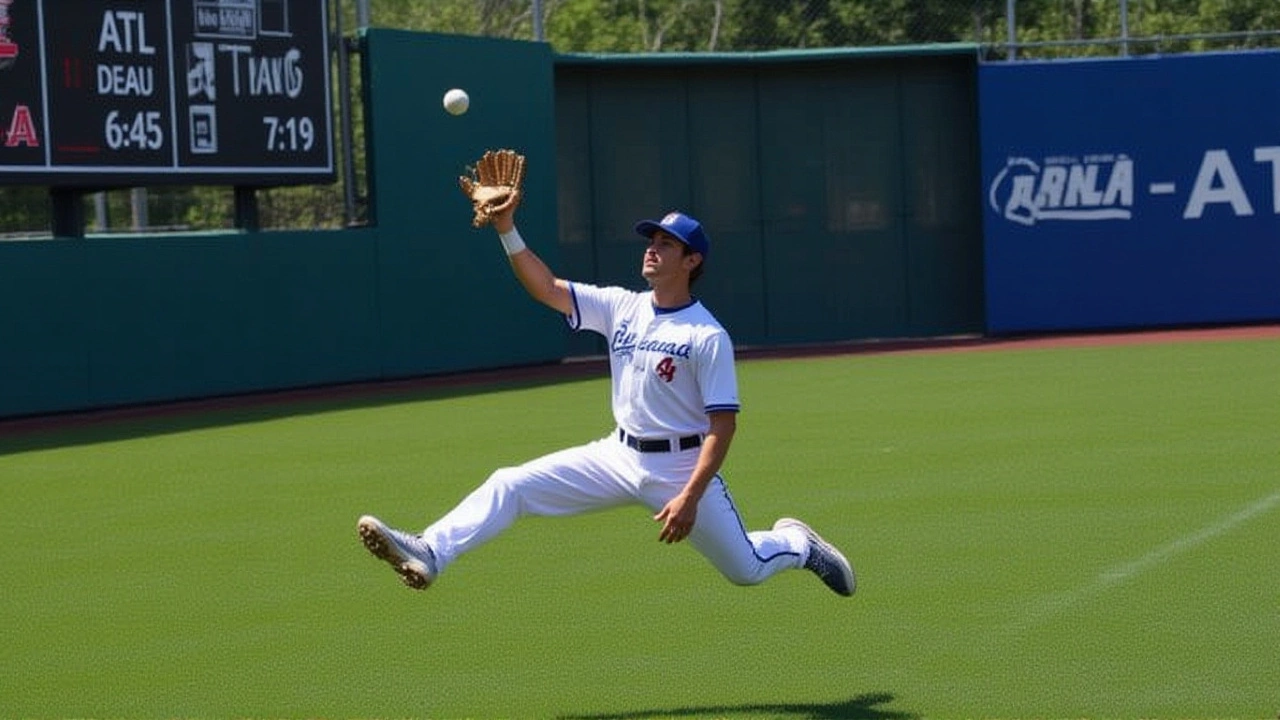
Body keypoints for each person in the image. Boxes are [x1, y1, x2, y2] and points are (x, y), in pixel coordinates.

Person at [356, 191, 855, 598]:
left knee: (745, 569)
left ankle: (797, 544)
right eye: (651, 239)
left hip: (679, 471)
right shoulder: (621, 306)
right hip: (618, 454)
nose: (652, 248)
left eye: (667, 243)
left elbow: (722, 426)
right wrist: (506, 227)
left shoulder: (706, 335)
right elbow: (547, 288)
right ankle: (431, 552)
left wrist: (690, 496)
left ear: (692, 259)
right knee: (511, 484)